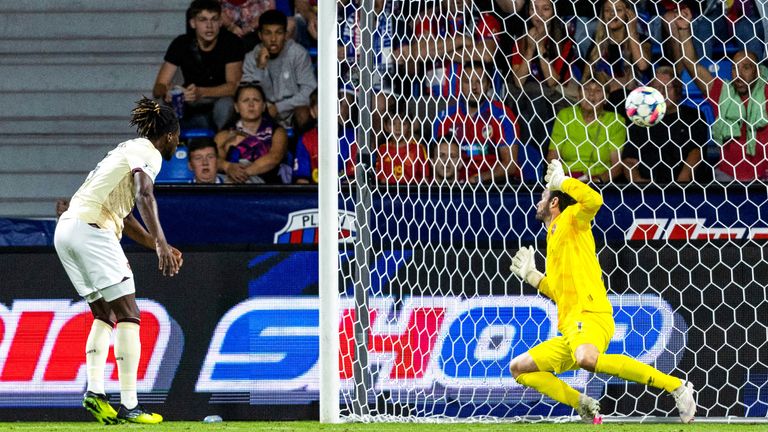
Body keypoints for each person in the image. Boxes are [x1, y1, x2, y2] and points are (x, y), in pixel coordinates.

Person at [508, 159, 697, 424]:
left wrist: (562, 182)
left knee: (587, 358)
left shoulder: (573, 220)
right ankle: (582, 403)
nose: (539, 200)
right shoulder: (553, 236)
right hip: (572, 328)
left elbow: (594, 201)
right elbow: (562, 293)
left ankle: (676, 386)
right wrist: (534, 278)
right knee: (519, 368)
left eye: (543, 195)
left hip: (591, 315)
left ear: (554, 203)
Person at [53, 98, 183, 425]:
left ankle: (95, 392)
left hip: (67, 229)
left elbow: (124, 218)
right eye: (178, 137)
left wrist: (156, 244)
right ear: (168, 136)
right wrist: (164, 243)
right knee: (129, 313)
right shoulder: (149, 153)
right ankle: (130, 404)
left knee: (104, 311)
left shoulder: (123, 150)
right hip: (92, 230)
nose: (178, 143)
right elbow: (144, 194)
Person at [671, 7, 768, 182]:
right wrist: (684, 30)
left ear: (758, 72)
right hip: (727, 177)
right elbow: (691, 64)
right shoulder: (723, 93)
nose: (738, 74)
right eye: (734, 68)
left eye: (745, 67)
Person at [433, 62, 533, 184]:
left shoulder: (501, 115)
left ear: (488, 85)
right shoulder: (445, 118)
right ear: (459, 85)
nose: (474, 87)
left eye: (479, 81)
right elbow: (436, 162)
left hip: (496, 187)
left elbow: (510, 166)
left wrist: (476, 179)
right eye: (467, 82)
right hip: (457, 187)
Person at [153, 0, 245, 131]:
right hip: (190, 100)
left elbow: (233, 87)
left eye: (214, 19)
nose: (209, 25)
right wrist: (167, 92)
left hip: (219, 98)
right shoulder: (181, 43)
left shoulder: (231, 43)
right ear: (193, 23)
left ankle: (220, 142)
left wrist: (201, 92)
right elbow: (158, 88)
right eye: (203, 20)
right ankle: (176, 146)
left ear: (220, 23)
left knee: (226, 104)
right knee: (166, 104)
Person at [622, 66, 707, 184]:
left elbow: (696, 152)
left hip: (684, 186)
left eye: (667, 87)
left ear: (678, 90)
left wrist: (682, 181)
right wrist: (637, 181)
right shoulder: (640, 118)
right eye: (657, 88)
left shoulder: (693, 115)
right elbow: (629, 158)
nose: (662, 92)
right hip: (647, 187)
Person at [241, 9, 316, 131]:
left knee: (303, 112)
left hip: (292, 110)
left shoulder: (298, 53)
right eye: (268, 33)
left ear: (286, 35)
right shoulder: (251, 58)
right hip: (264, 112)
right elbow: (248, 95)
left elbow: (309, 91)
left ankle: (302, 148)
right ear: (260, 35)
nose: (273, 39)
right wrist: (260, 68)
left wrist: (279, 107)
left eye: (278, 33)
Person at [547, 78, 626, 183]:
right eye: (586, 89)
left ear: (606, 98)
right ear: (579, 95)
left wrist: (597, 180)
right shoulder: (565, 116)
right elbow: (553, 157)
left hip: (598, 183)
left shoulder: (615, 121)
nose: (591, 94)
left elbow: (617, 165)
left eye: (598, 90)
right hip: (568, 180)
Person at [581, 0, 651, 110]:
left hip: (635, 104)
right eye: (608, 10)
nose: (612, 14)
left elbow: (642, 65)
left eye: (618, 10)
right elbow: (585, 79)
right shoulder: (597, 44)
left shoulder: (641, 40)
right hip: (604, 104)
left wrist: (632, 31)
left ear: (628, 14)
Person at [214, 82, 288, 183]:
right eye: (245, 100)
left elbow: (275, 157)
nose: (251, 105)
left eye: (256, 100)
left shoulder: (277, 132)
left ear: (263, 106)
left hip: (266, 186)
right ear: (236, 107)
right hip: (230, 183)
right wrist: (228, 167)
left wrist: (243, 173)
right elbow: (213, 159)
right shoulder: (224, 135)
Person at [374, 105, 430, 184]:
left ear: (410, 126)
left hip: (412, 194)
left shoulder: (418, 149)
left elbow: (425, 179)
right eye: (393, 124)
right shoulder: (383, 150)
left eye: (403, 124)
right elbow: (381, 179)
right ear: (386, 127)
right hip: (388, 194)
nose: (397, 128)